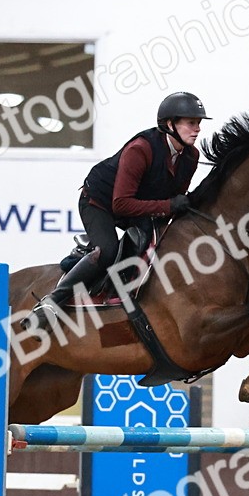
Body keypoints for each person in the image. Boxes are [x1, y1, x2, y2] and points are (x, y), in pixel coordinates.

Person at [31, 91, 208, 326]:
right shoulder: (141, 149)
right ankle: (51, 302)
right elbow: (121, 204)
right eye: (190, 123)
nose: (197, 129)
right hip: (100, 202)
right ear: (169, 124)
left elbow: (173, 199)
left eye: (198, 124)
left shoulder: (191, 156)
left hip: (139, 204)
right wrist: (168, 205)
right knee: (107, 250)